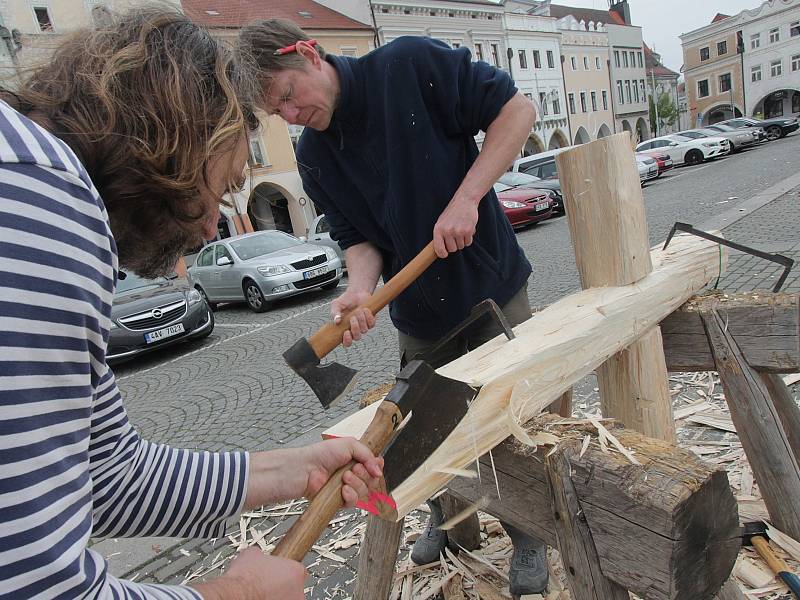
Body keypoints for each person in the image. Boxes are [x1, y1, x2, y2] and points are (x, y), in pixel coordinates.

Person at [0, 8, 384, 599]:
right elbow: (39, 587)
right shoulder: (38, 193)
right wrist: (237, 596)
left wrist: (293, 469)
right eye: (224, 186)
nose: (212, 228)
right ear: (180, 136)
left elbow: (108, 473)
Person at [237, 21, 550, 595]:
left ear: (308, 53)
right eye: (274, 111)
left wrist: (467, 197)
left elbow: (518, 111)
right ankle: (453, 523)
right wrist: (360, 289)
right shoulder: (313, 158)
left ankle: (528, 535)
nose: (289, 114)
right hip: (418, 317)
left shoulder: (407, 66)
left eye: (286, 94)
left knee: (509, 424)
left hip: (489, 292)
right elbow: (359, 239)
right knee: (418, 428)